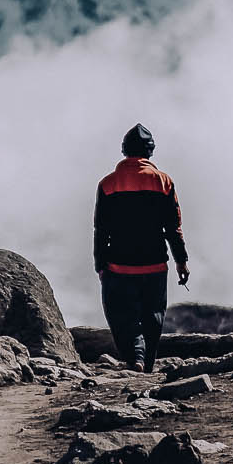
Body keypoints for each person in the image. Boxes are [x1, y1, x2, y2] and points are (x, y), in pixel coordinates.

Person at [94, 124, 188, 373]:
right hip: (154, 264)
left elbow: (101, 230)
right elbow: (173, 227)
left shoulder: (107, 184)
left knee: (121, 316)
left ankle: (135, 357)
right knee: (154, 315)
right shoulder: (164, 182)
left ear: (124, 150)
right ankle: (146, 365)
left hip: (118, 266)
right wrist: (181, 260)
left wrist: (100, 265)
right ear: (150, 151)